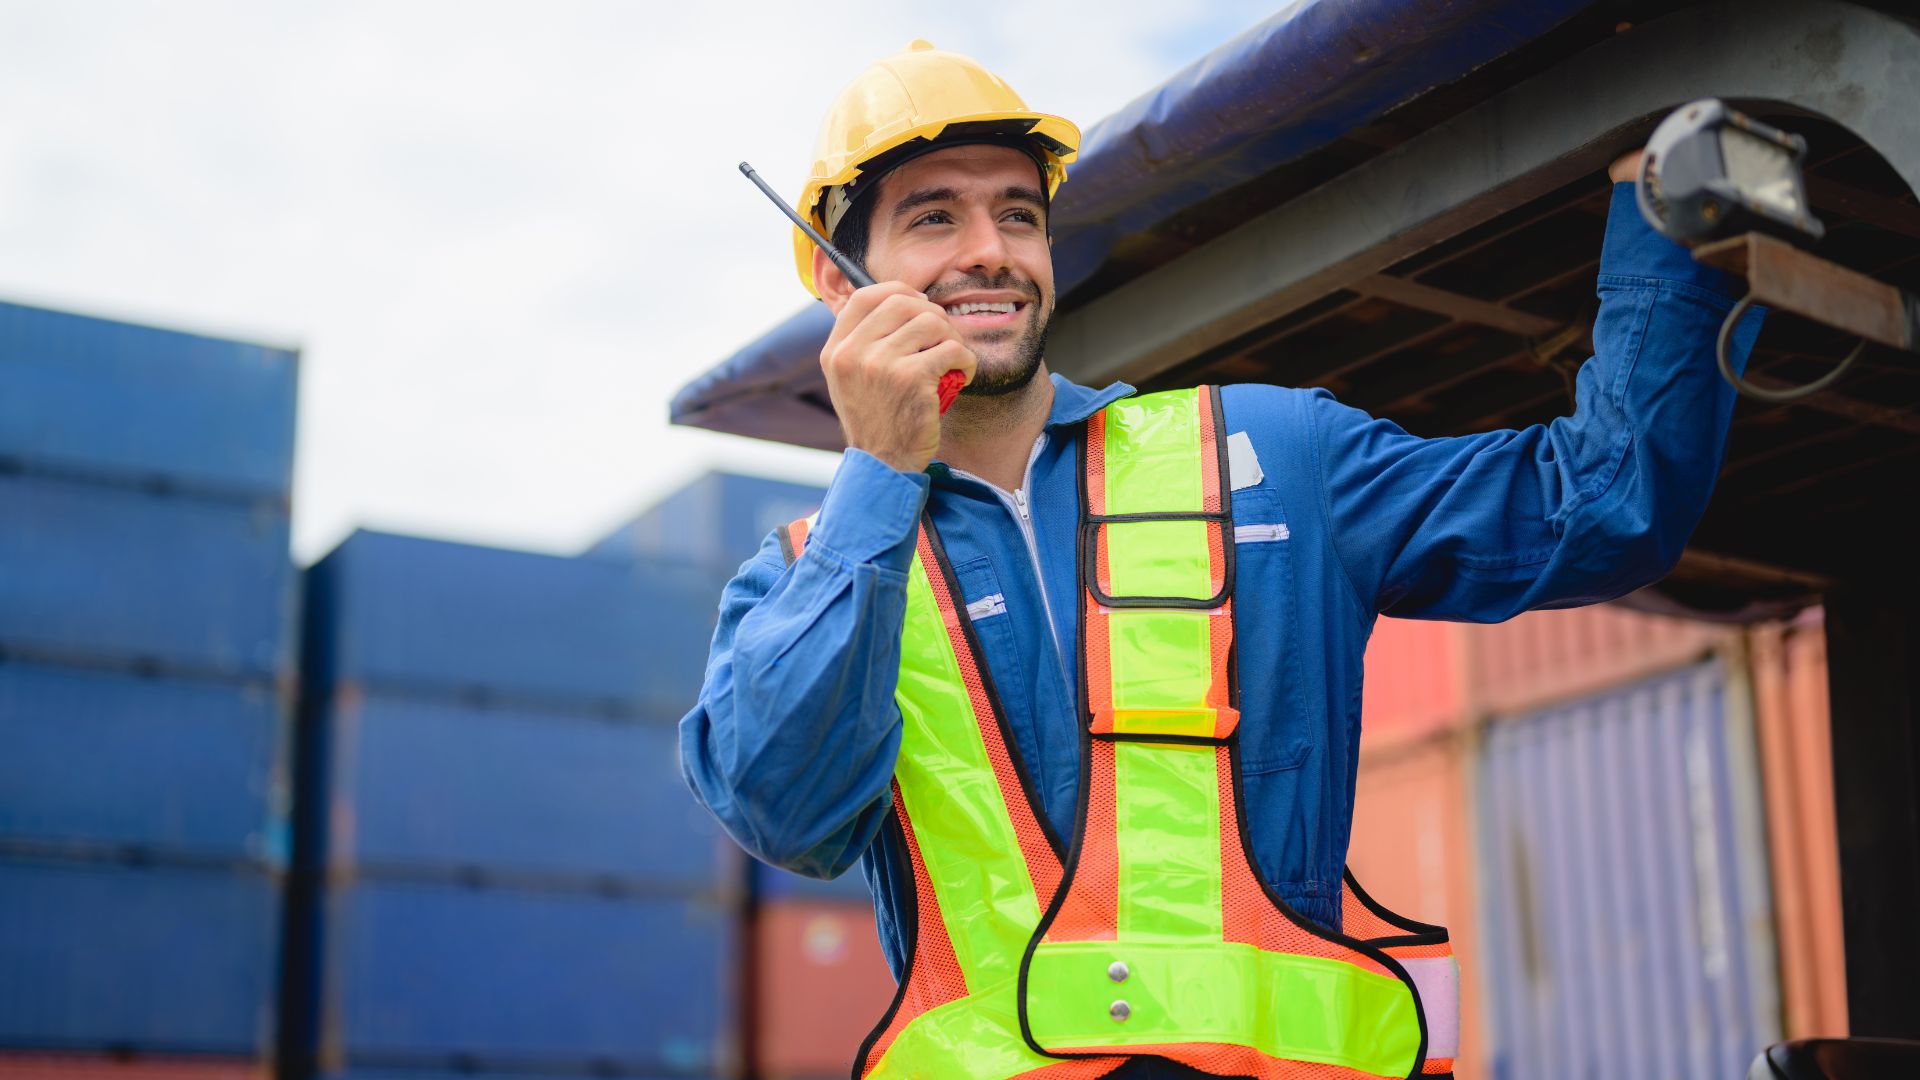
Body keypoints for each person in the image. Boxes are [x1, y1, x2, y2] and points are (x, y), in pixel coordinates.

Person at [681, 41, 1762, 1079]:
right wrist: (878, 467)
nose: (989, 250)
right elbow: (792, 815)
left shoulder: (1275, 458)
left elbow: (1605, 505)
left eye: (1020, 213)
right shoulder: (801, 579)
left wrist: (1663, 207)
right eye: (933, 217)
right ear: (840, 281)